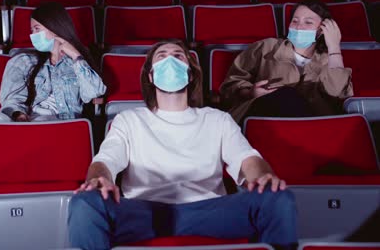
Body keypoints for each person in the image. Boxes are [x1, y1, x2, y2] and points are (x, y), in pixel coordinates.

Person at [68, 39, 298, 250]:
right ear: (150, 76)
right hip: (144, 212)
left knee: (277, 197)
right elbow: (105, 161)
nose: (170, 59)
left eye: (178, 56)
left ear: (190, 74)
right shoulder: (129, 120)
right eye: (161, 56)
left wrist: (263, 176)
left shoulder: (217, 119)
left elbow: (248, 160)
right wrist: (98, 180)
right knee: (85, 202)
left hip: (209, 212)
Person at [219, 0, 353, 125]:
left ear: (322, 30)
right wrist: (250, 93)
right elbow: (230, 85)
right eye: (295, 21)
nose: (299, 26)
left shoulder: (329, 60)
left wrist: (334, 47)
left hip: (310, 125)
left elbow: (336, 95)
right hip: (260, 118)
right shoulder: (266, 47)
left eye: (308, 22)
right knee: (287, 94)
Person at [0, 2, 106, 122]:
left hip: (65, 124)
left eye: (37, 29)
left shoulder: (77, 62)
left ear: (55, 27)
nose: (33, 35)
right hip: (30, 120)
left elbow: (94, 92)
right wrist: (20, 115)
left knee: (45, 121)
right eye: (32, 31)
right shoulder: (24, 61)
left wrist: (75, 56)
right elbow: (12, 100)